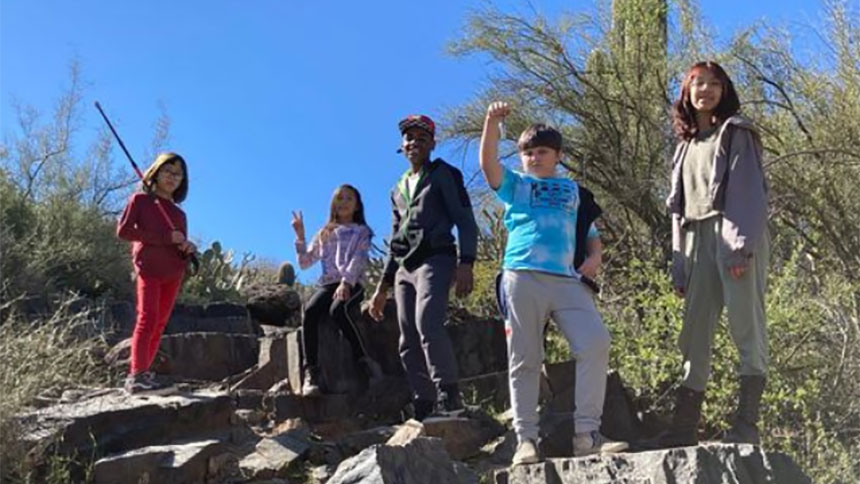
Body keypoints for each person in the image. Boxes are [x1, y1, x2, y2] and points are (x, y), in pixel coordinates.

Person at [479, 102, 628, 465]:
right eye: (527, 152)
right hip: (521, 275)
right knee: (525, 358)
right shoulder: (516, 185)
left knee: (595, 342)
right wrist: (490, 122)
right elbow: (489, 166)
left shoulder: (573, 191)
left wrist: (594, 258)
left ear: (558, 155)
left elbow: (589, 234)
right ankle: (526, 439)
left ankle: (587, 434)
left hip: (567, 280)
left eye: (542, 151)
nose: (533, 157)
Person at [659, 61, 769, 447]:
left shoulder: (735, 132)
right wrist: (678, 264)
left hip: (732, 233)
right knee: (694, 334)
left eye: (714, 84)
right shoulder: (684, 146)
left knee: (746, 325)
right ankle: (683, 429)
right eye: (698, 83)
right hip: (695, 241)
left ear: (724, 91)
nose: (705, 90)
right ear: (687, 91)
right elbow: (677, 211)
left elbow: (748, 192)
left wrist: (739, 248)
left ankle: (746, 426)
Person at [368, 114, 478, 420]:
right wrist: (382, 287)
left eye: (421, 138)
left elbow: (465, 220)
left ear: (432, 143)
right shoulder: (398, 188)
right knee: (407, 337)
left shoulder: (444, 174)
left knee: (428, 322)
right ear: (401, 146)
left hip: (436, 257)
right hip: (405, 268)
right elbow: (396, 239)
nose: (414, 143)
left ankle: (449, 395)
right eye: (409, 138)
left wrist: (466, 262)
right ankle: (423, 400)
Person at [292, 184, 383, 396]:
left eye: (349, 199)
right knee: (311, 310)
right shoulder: (325, 233)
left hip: (353, 283)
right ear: (333, 203)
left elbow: (358, 259)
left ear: (357, 205)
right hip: (328, 284)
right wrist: (300, 237)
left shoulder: (362, 232)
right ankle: (311, 373)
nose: (343, 203)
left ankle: (364, 361)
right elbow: (305, 262)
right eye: (339, 198)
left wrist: (347, 283)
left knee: (338, 311)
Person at [117, 152, 195, 394]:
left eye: (178, 174)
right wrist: (164, 238)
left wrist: (186, 248)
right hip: (148, 268)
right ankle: (136, 375)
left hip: (173, 272)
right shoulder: (139, 201)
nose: (173, 177)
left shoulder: (179, 214)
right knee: (147, 318)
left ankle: (145, 374)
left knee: (160, 323)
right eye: (168, 171)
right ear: (156, 172)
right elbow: (124, 231)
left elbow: (176, 243)